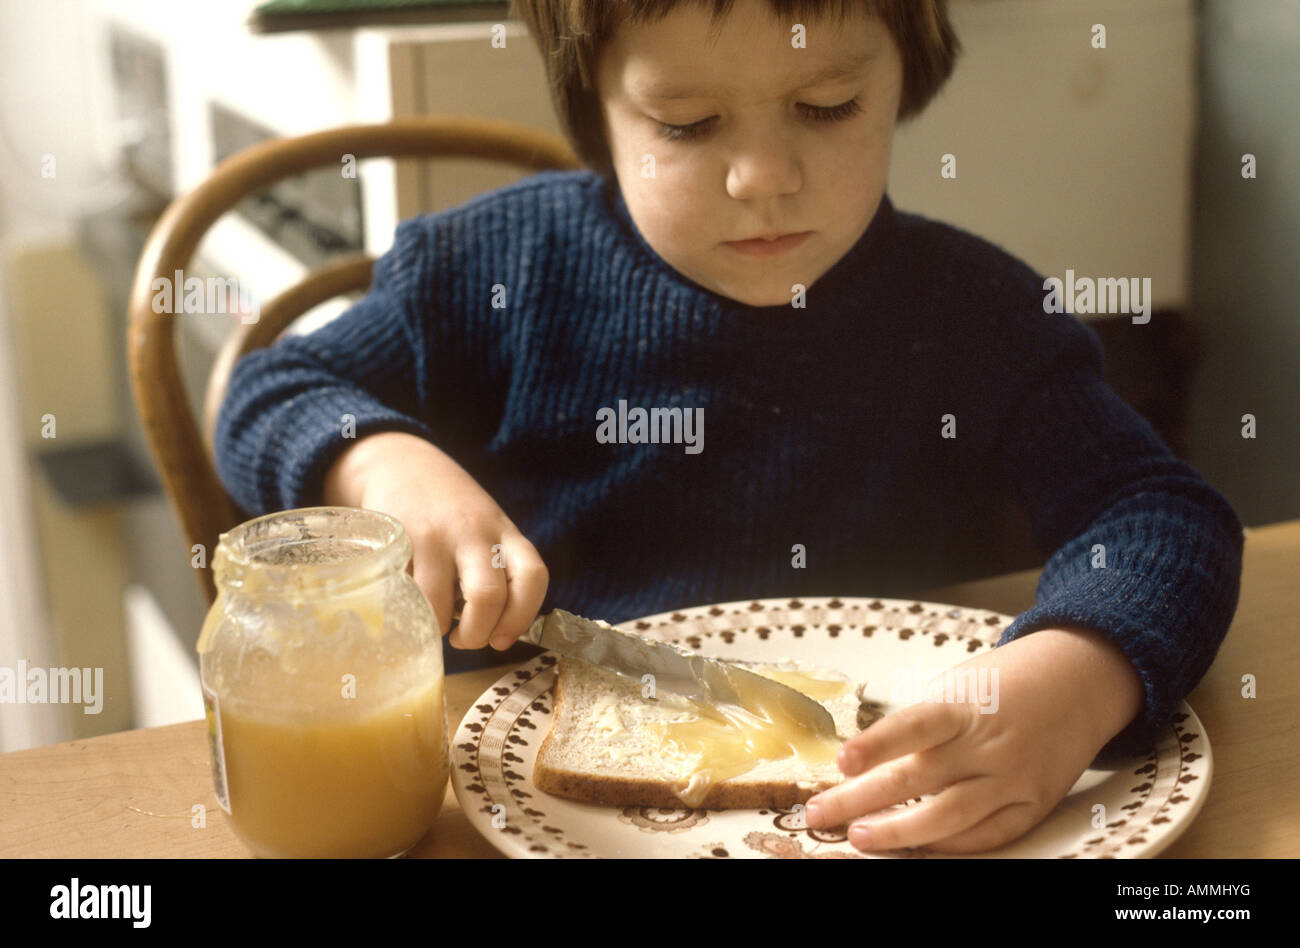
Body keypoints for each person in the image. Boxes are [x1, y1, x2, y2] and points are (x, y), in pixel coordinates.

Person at [214, 0, 1243, 853]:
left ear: (906, 78)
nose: (762, 178)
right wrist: (383, 463)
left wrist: (1081, 674)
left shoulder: (974, 315)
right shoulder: (487, 276)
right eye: (686, 123)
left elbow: (1155, 510)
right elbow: (274, 387)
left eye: (827, 105)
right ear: (596, 111)